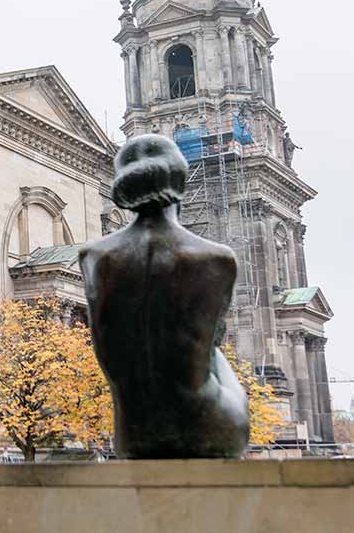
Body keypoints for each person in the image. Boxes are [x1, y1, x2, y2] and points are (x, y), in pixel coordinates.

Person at [78, 134, 250, 459]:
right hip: (210, 430)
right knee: (212, 349)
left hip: (132, 437)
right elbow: (209, 344)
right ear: (180, 181)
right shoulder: (217, 258)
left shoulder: (92, 257)